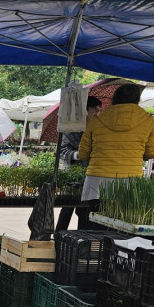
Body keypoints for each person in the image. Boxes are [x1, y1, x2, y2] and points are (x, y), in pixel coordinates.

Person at [77, 83, 154, 208]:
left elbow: (83, 154)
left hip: (97, 182)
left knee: (94, 224)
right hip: (130, 181)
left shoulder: (97, 119)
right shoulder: (147, 120)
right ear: (137, 100)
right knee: (122, 225)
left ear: (114, 99)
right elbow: (151, 152)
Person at [56, 96, 101, 231]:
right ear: (86, 110)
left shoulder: (98, 130)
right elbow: (62, 151)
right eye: (95, 109)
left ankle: (81, 238)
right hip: (72, 175)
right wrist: (77, 155)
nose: (98, 112)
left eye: (99, 109)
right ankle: (59, 234)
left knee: (85, 210)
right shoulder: (72, 129)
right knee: (67, 207)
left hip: (91, 176)